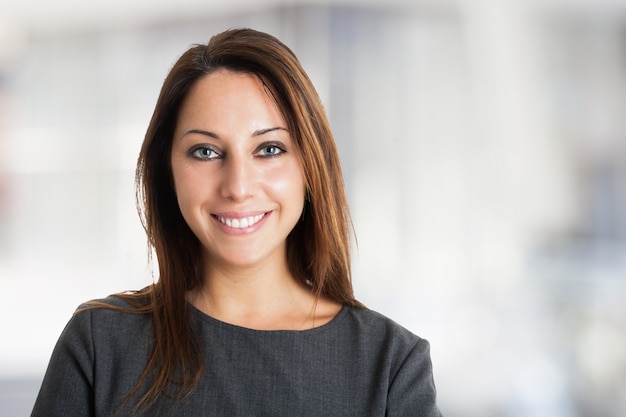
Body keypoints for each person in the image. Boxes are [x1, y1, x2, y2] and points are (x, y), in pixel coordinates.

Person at [31, 28, 442, 417]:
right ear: (167, 171)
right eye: (206, 152)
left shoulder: (391, 366)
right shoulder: (100, 346)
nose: (238, 187)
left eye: (269, 148)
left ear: (310, 168)